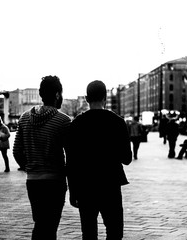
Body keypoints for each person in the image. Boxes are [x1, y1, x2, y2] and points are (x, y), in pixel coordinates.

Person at [67, 80, 132, 240]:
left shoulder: (76, 124)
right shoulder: (117, 122)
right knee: (115, 231)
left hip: (85, 186)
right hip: (110, 184)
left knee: (88, 233)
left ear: (87, 98)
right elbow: (127, 159)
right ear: (105, 97)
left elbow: (71, 163)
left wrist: (73, 191)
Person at [13, 75, 71, 240]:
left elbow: (17, 151)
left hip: (33, 181)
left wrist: (30, 166)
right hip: (54, 181)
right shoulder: (63, 121)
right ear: (58, 95)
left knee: (40, 222)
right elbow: (71, 155)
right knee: (50, 226)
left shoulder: (24, 118)